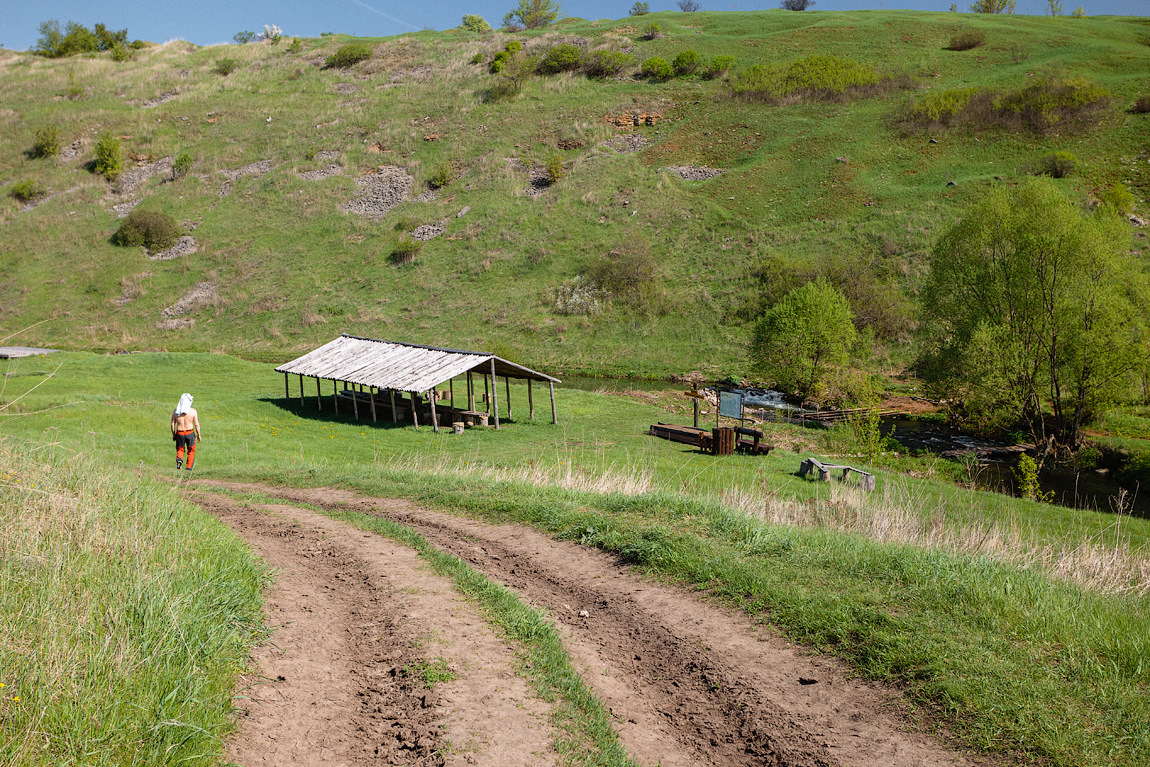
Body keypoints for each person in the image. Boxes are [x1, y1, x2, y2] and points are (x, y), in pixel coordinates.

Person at [171, 393, 201, 470]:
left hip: (180, 432)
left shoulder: (176, 411)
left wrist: (174, 435)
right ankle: (188, 467)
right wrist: (199, 434)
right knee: (191, 450)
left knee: (180, 448)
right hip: (190, 432)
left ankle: (179, 459)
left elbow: (172, 424)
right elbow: (196, 424)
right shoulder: (193, 411)